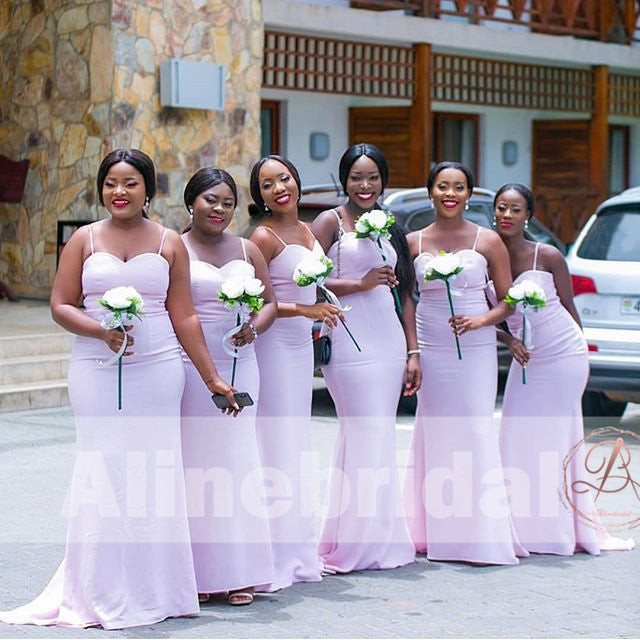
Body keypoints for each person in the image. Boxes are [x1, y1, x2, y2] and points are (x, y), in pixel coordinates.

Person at [0, 149, 238, 629]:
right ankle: (98, 588)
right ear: (101, 188)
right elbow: (60, 303)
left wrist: (212, 377)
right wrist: (99, 332)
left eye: (130, 183)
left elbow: (184, 314)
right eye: (111, 183)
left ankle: (157, 588)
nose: (119, 192)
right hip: (95, 368)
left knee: (155, 473)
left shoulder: (171, 242)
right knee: (102, 469)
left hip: (158, 368)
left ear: (148, 190)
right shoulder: (84, 240)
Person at [492, 183, 634, 555]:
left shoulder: (548, 255)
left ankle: (556, 528)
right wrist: (510, 343)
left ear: (529, 217)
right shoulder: (487, 254)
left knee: (556, 439)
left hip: (563, 354)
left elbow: (570, 309)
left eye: (516, 209)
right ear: (494, 213)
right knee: (516, 435)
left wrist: (582, 355)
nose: (507, 215)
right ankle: (519, 523)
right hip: (526, 359)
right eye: (502, 208)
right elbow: (488, 315)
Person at [403, 161, 526, 565]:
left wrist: (480, 322)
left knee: (474, 430)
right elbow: (405, 299)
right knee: (435, 433)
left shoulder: (488, 240)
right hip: (432, 346)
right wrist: (413, 351)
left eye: (458, 187)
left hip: (473, 350)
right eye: (442, 186)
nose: (450, 194)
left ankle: (479, 535)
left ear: (470, 194)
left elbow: (509, 301)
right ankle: (432, 531)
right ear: (430, 191)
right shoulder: (414, 242)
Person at [311, 143, 419, 573]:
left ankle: (382, 537)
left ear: (383, 180)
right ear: (344, 180)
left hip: (389, 341)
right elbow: (308, 281)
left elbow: (405, 293)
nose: (365, 185)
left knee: (380, 437)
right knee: (361, 433)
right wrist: (358, 283)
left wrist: (413, 351)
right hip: (350, 341)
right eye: (357, 177)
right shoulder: (328, 222)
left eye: (373, 176)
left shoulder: (390, 225)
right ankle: (350, 545)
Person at [180, 168, 278, 605]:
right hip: (190, 369)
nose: (218, 209)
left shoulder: (247, 248)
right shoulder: (173, 248)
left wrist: (253, 328)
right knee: (194, 467)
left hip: (241, 362)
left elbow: (271, 302)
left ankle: (239, 572)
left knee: (237, 462)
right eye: (209, 200)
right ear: (190, 203)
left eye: (226, 202)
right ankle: (195, 574)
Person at [249, 155, 341, 590]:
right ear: (259, 195)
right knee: (276, 444)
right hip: (273, 348)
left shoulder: (307, 229)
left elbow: (312, 284)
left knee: (295, 443)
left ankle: (297, 551)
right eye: (267, 184)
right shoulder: (262, 238)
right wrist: (306, 308)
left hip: (301, 347)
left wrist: (322, 309)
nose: (278, 188)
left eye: (284, 178)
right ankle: (271, 553)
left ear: (297, 180)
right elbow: (257, 302)